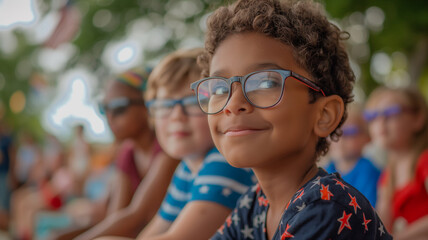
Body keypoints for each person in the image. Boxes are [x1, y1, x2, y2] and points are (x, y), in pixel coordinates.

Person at [190, 0, 392, 239]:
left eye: (265, 82)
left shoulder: (328, 207)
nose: (233, 104)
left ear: (324, 115)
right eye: (220, 88)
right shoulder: (253, 205)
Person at [96, 48, 256, 240]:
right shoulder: (187, 169)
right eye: (164, 106)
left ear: (218, 106)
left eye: (192, 102)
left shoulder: (224, 162)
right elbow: (152, 233)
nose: (177, 116)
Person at [50, 69, 179, 240]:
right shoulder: (127, 153)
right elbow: (117, 216)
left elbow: (136, 216)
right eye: (104, 109)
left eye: (119, 108)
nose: (109, 117)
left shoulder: (167, 147)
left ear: (148, 105)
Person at [364, 86, 428, 240]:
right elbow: (381, 226)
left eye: (391, 112)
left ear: (418, 118)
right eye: (372, 116)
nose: (380, 121)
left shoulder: (425, 160)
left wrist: (397, 237)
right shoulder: (387, 176)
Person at [325, 103, 381, 207]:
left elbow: (368, 212)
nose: (339, 138)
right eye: (333, 132)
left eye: (349, 132)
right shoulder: (326, 170)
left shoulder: (369, 171)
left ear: (368, 137)